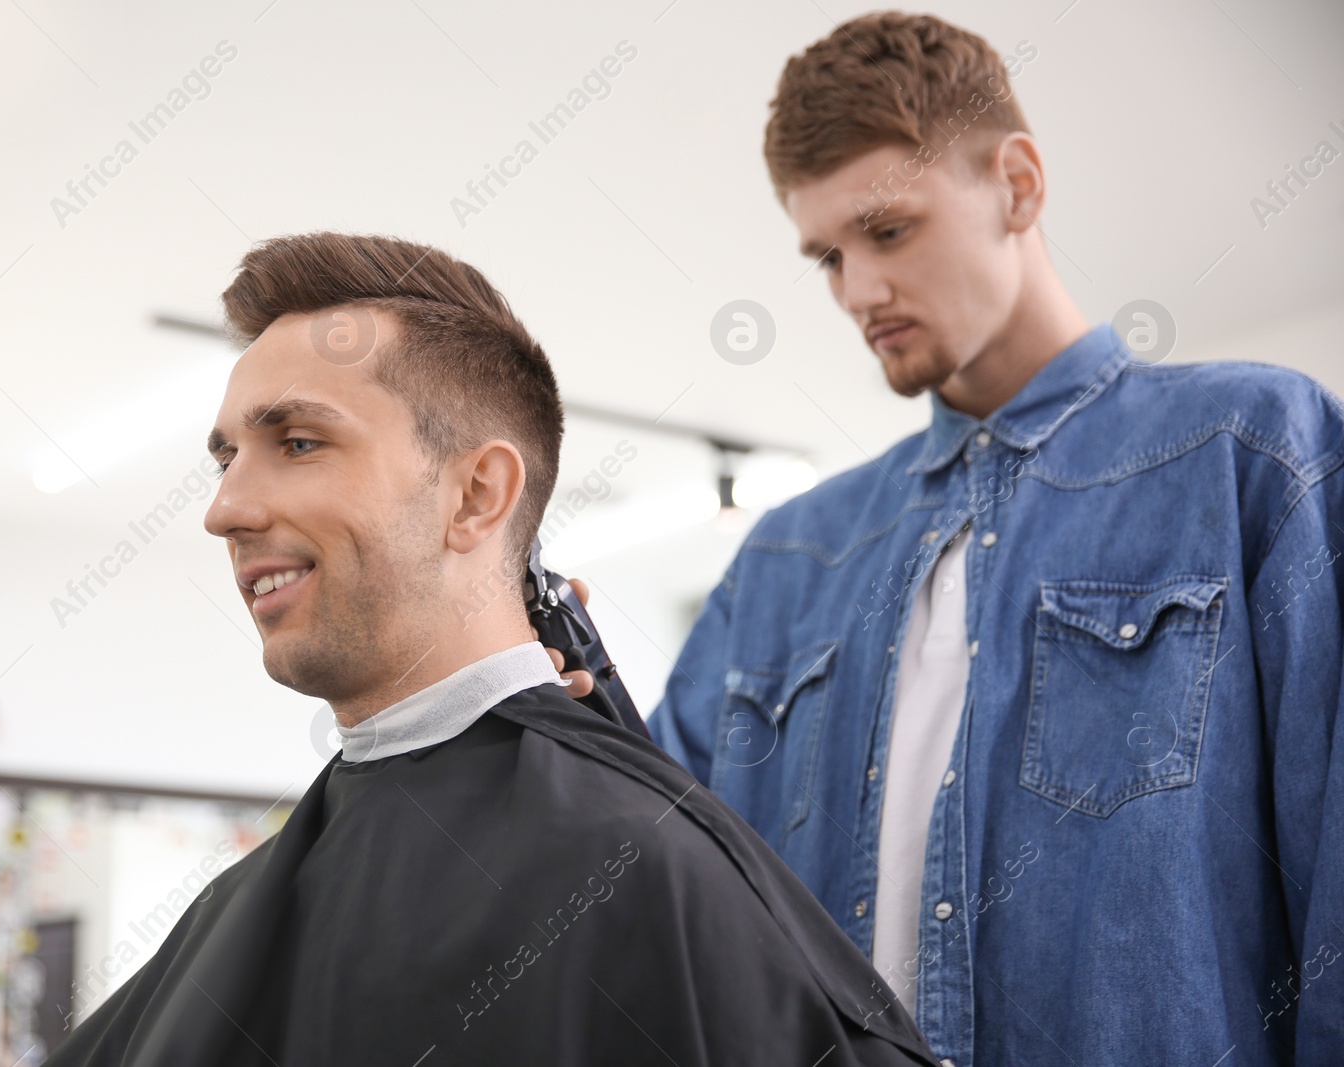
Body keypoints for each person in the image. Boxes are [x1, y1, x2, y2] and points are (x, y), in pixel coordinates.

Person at [551, 12, 1343, 1066]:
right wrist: (559, 724)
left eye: (888, 231)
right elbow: (663, 888)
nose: (857, 292)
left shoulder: (1250, 450)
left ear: (1016, 184)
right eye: (826, 255)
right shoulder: (785, 559)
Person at [45, 232, 935, 1066]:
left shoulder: (642, 873)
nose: (224, 509)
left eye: (299, 442)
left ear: (476, 495)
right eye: (226, 458)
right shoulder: (231, 914)